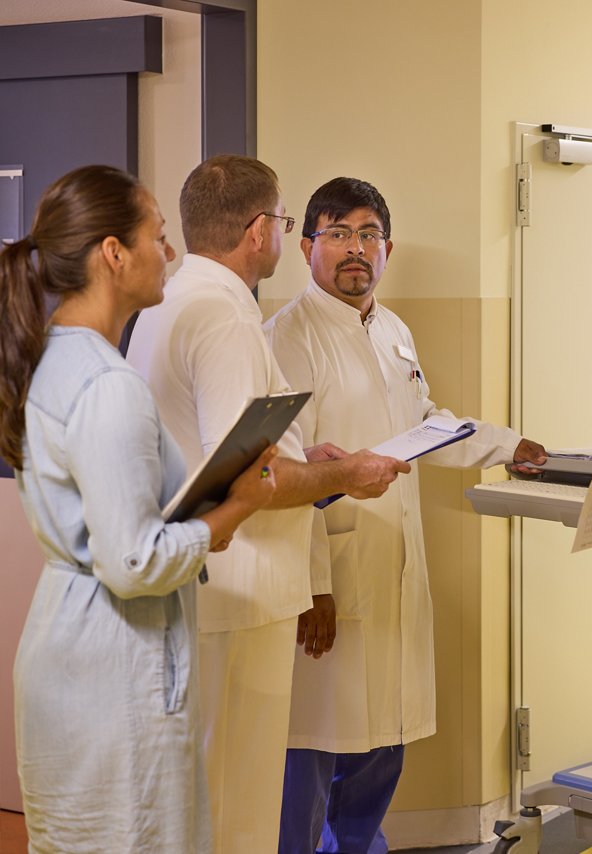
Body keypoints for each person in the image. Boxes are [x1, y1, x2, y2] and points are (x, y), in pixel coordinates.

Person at [125, 155, 411, 853]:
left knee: (207, 798)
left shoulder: (177, 303)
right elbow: (253, 478)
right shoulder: (225, 317)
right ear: (261, 232)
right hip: (234, 590)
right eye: (288, 223)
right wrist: (347, 474)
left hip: (203, 586)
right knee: (237, 811)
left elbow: (234, 451)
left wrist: (306, 461)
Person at [264, 177, 546, 854]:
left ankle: (358, 847)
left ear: (387, 248)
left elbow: (426, 423)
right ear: (306, 247)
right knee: (312, 745)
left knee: (382, 741)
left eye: (367, 234)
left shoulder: (392, 330)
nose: (354, 249)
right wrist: (313, 585)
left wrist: (509, 445)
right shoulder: (286, 338)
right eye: (336, 234)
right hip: (332, 569)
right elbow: (284, 467)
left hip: (394, 563)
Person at [0, 165, 277, 851]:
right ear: (114, 254)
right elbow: (132, 562)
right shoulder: (106, 385)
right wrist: (233, 508)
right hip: (113, 671)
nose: (171, 253)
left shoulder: (54, 361)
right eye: (158, 236)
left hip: (74, 658)